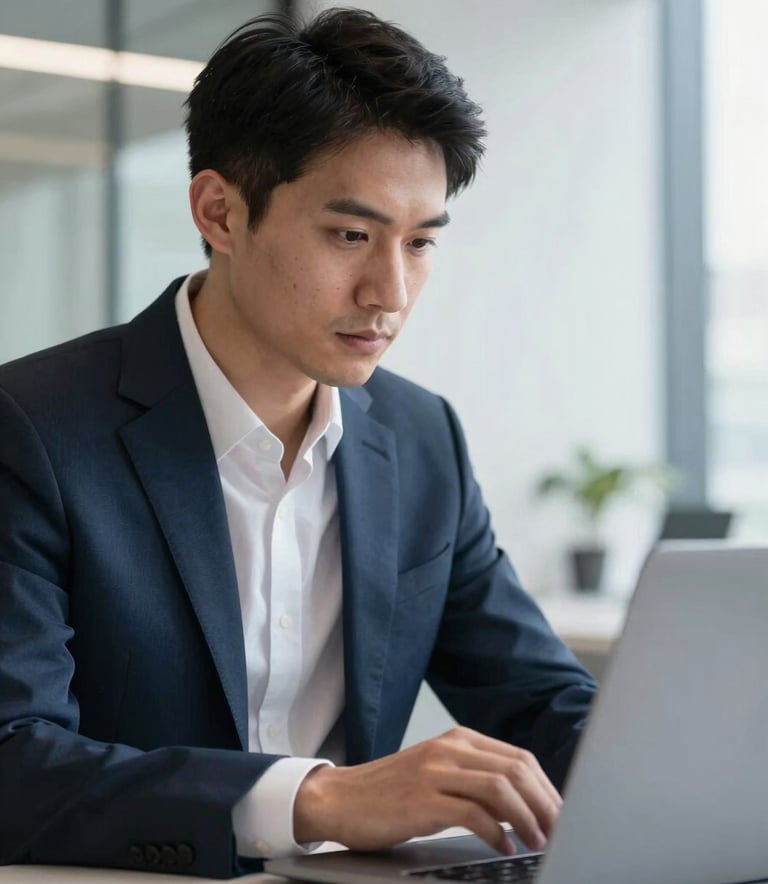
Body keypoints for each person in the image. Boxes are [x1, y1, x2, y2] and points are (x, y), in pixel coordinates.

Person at [0, 8, 597, 879]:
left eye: (421, 242)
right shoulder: (34, 426)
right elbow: (14, 758)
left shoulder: (421, 438)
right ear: (220, 212)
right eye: (350, 235)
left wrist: (686, 772)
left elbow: (541, 700)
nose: (389, 291)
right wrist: (316, 798)